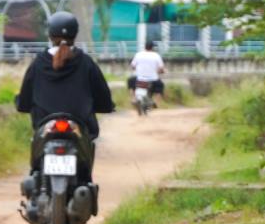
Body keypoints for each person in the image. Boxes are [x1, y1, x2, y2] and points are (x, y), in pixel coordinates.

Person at [15, 11, 114, 183]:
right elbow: (103, 96)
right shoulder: (86, 63)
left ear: (50, 34)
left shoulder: (38, 63)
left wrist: (22, 104)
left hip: (46, 125)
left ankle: (36, 181)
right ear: (75, 34)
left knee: (36, 160)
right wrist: (106, 106)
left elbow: (25, 99)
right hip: (79, 126)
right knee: (85, 168)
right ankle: (84, 184)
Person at [128, 40, 166, 106]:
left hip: (139, 78)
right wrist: (161, 71)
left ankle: (133, 99)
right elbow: (161, 68)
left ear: (144, 46)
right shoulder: (156, 56)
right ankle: (156, 102)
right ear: (153, 47)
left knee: (130, 82)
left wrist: (136, 69)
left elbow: (133, 66)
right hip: (153, 79)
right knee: (161, 86)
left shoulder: (138, 54)